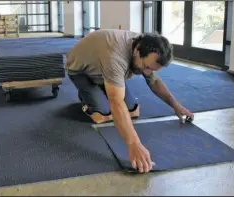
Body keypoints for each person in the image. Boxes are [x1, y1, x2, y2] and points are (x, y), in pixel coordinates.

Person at [66, 29, 194, 173]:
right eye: (146, 67)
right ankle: (86, 98)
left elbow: (154, 81)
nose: (147, 73)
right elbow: (116, 101)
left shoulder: (146, 48)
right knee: (102, 114)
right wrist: (134, 144)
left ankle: (106, 86)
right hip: (81, 71)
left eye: (151, 69)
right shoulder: (115, 57)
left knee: (132, 110)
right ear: (137, 51)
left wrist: (175, 105)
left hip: (106, 70)